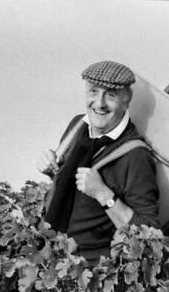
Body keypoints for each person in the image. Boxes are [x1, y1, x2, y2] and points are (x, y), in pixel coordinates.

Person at [36, 60, 160, 265]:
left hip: (96, 273)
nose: (99, 103)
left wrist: (104, 194)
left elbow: (150, 235)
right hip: (56, 257)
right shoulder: (78, 125)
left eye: (110, 95)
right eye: (93, 92)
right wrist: (52, 170)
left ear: (126, 100)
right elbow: (70, 187)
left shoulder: (136, 156)